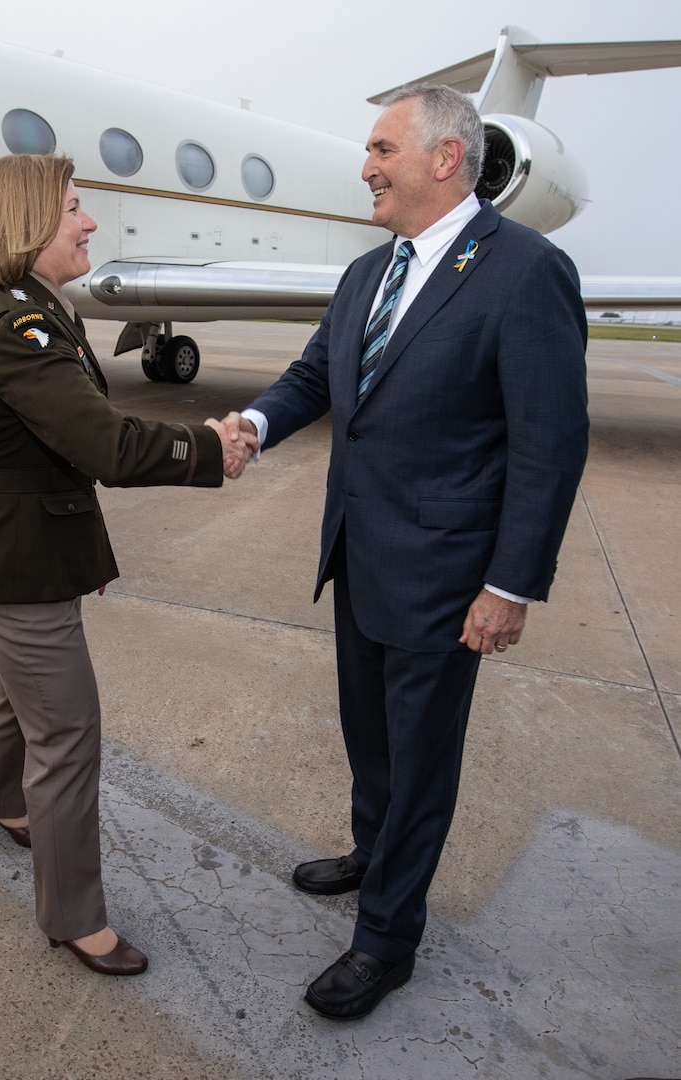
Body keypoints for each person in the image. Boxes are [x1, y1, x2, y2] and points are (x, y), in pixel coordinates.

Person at [220, 84, 589, 1019]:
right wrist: (257, 424)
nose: (365, 167)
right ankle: (370, 851)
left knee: (421, 758)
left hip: (448, 574)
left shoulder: (522, 270)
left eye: (382, 149)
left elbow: (548, 444)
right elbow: (316, 375)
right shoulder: (366, 273)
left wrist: (508, 584)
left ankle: (387, 940)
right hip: (359, 552)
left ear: (444, 158)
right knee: (370, 737)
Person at [0, 153, 256, 977]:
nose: (89, 222)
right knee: (69, 733)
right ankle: (73, 917)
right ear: (28, 224)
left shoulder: (35, 313)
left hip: (17, 558)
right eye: (74, 208)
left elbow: (45, 460)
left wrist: (81, 553)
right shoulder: (20, 331)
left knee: (18, 698)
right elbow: (105, 444)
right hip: (14, 575)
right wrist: (205, 445)